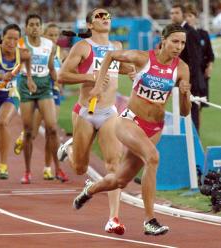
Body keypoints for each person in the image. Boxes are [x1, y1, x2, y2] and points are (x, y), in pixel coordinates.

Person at [74, 23, 192, 236]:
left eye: (182, 43)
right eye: (175, 41)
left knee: (120, 180)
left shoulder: (182, 68)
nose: (179, 46)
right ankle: (149, 220)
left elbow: (184, 112)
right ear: (163, 40)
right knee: (153, 158)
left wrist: (185, 94)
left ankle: (89, 189)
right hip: (130, 122)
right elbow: (110, 56)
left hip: (154, 127)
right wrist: (98, 86)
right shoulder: (142, 58)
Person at [57, 8, 135, 235]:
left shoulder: (117, 47)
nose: (104, 19)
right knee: (80, 168)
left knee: (114, 165)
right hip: (86, 112)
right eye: (99, 17)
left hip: (109, 112)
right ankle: (69, 148)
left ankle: (113, 218)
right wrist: (89, 77)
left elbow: (118, 67)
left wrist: (131, 71)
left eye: (107, 16)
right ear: (90, 25)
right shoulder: (83, 47)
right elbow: (63, 75)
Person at [14, 22, 68, 181]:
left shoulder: (61, 53)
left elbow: (61, 72)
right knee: (34, 131)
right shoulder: (39, 48)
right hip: (35, 89)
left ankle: (48, 168)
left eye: (56, 35)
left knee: (52, 129)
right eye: (50, 34)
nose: (53, 37)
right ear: (44, 35)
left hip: (52, 92)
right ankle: (24, 138)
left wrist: (60, 84)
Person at [0, 24, 33, 185]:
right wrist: (2, 77)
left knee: (3, 122)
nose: (12, 42)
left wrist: (29, 78)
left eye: (15, 39)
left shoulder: (22, 54)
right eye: (9, 38)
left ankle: (3, 165)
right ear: (2, 37)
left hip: (10, 95)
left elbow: (28, 61)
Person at [170, 3, 204, 133]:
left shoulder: (190, 32)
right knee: (181, 112)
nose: (173, 16)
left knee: (192, 113)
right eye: (171, 13)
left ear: (183, 14)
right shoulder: (176, 32)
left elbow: (195, 61)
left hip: (189, 81)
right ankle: (184, 142)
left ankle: (195, 145)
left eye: (176, 13)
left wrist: (187, 81)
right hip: (179, 80)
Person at [185, 5, 215, 119]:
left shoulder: (203, 34)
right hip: (190, 73)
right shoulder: (184, 34)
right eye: (186, 16)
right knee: (189, 105)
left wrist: (210, 66)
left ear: (195, 17)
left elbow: (210, 54)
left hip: (202, 73)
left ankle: (197, 133)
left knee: (199, 105)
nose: (188, 18)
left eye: (190, 16)